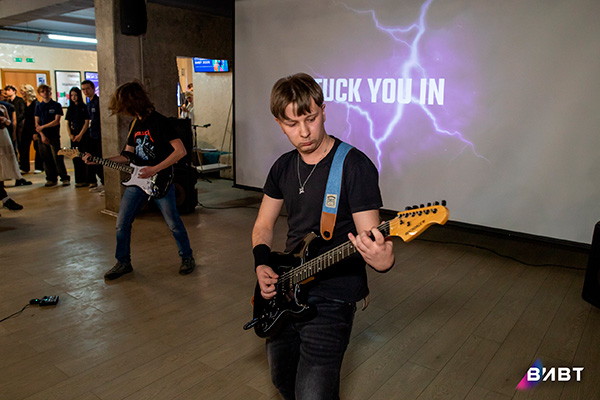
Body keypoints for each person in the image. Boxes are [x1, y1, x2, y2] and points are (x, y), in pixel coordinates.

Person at [252, 73, 395, 400]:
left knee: (313, 393)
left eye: (311, 118)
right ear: (279, 124)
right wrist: (262, 264)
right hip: (288, 285)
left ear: (323, 110)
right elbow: (263, 225)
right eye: (292, 123)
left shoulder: (354, 166)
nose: (304, 132)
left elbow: (373, 239)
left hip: (334, 294)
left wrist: (382, 258)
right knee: (282, 379)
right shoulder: (282, 167)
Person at [84, 81, 196, 280]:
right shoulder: (134, 124)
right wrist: (98, 160)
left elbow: (180, 151)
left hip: (160, 180)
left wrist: (154, 168)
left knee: (173, 223)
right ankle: (123, 262)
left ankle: (187, 257)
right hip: (138, 181)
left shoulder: (160, 122)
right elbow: (127, 156)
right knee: (122, 223)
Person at [34, 84, 70, 187]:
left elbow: (56, 121)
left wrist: (43, 127)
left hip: (54, 135)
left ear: (50, 92)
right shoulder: (38, 106)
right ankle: (51, 178)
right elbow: (37, 123)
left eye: (47, 91)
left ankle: (64, 178)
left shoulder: (56, 105)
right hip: (42, 136)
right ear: (40, 93)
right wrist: (42, 134)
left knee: (57, 157)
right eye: (42, 91)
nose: (45, 93)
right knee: (46, 158)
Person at [81, 80, 104, 193]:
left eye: (87, 89)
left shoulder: (98, 102)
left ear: (93, 89)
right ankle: (101, 182)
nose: (85, 91)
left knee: (100, 159)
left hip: (99, 136)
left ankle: (105, 183)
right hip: (92, 135)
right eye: (83, 89)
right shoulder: (88, 104)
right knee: (94, 159)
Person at [0, 103, 24, 211]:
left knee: (3, 167)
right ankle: (5, 199)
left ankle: (5, 199)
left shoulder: (2, 107)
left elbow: (9, 122)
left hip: (2, 135)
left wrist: (5, 120)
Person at [65, 87, 90, 187]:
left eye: (75, 95)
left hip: (83, 134)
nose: (73, 97)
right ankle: (78, 180)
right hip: (73, 134)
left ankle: (87, 179)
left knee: (83, 156)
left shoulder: (84, 107)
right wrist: (70, 134)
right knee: (75, 158)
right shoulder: (70, 108)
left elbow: (86, 122)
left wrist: (80, 135)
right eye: (72, 95)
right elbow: (68, 123)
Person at [20, 84, 43, 174]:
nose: (22, 93)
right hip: (26, 127)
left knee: (37, 147)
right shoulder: (24, 102)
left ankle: (39, 167)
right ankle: (24, 167)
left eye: (23, 91)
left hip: (34, 127)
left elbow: (37, 118)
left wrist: (35, 131)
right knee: (24, 147)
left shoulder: (35, 103)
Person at [4, 85, 26, 165]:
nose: (7, 92)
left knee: (21, 145)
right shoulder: (8, 102)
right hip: (11, 125)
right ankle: (15, 163)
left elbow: (23, 113)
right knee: (12, 144)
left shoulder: (19, 100)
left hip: (19, 125)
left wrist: (15, 120)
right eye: (6, 90)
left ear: (14, 91)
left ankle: (22, 163)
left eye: (9, 90)